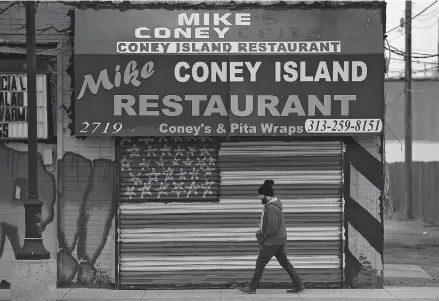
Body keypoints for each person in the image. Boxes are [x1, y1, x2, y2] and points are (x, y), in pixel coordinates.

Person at [239, 179, 305, 294]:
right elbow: (272, 225)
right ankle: (299, 285)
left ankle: (252, 287)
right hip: (279, 240)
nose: (259, 197)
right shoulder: (274, 206)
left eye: (261, 195)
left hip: (272, 241)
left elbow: (272, 227)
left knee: (260, 262)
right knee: (285, 262)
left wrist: (262, 236)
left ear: (266, 195)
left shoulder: (271, 208)